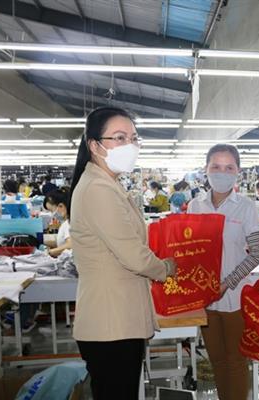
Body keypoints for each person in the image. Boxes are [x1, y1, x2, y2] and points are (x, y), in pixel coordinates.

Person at [69, 106, 177, 400]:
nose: (130, 145)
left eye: (133, 138)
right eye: (119, 138)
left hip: (117, 320)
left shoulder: (107, 184)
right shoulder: (98, 189)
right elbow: (133, 256)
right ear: (94, 145)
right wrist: (166, 268)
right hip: (111, 323)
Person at [187, 144, 259, 400]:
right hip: (206, 298)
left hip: (235, 297)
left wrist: (227, 282)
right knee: (217, 360)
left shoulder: (245, 207)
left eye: (229, 167)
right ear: (205, 170)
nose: (222, 172)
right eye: (216, 167)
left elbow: (257, 252)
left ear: (238, 172)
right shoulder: (195, 206)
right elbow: (190, 250)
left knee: (236, 361)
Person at [44, 189, 72, 257]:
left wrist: (50, 252)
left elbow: (70, 245)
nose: (52, 214)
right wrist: (42, 241)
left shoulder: (68, 223)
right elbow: (61, 242)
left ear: (61, 206)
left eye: (51, 210)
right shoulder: (66, 223)